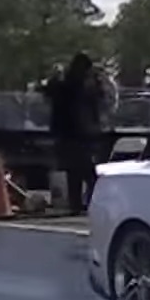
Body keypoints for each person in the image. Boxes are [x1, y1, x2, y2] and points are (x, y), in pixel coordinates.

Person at [44, 51, 105, 214]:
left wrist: (55, 77)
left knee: (74, 173)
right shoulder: (82, 85)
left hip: (67, 133)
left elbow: (48, 91)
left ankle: (76, 204)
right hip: (80, 133)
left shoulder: (65, 83)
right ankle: (88, 203)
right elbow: (98, 99)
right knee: (88, 173)